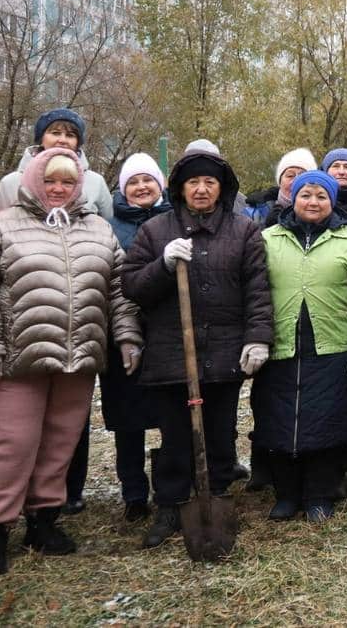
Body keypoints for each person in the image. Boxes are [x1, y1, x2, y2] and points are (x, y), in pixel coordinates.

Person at [0, 148, 141, 576]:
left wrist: (127, 336)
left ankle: (43, 521)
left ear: (79, 185)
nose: (58, 189)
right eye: (51, 181)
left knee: (61, 441)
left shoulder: (99, 229)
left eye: (67, 182)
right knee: (14, 444)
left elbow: (118, 291)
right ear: (34, 180)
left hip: (78, 358)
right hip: (18, 358)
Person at [123, 148, 273, 549]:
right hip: (173, 352)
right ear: (180, 189)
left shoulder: (243, 231)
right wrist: (163, 266)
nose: (202, 189)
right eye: (194, 182)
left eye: (210, 182)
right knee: (174, 433)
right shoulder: (156, 232)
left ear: (221, 189)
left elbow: (258, 289)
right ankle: (171, 503)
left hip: (224, 351)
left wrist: (258, 337)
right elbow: (132, 286)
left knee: (221, 430)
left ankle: (217, 494)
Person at [254, 171, 347, 522]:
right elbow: (254, 290)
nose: (313, 202)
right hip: (281, 343)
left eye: (321, 196)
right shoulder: (268, 239)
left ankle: (319, 494)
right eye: (306, 195)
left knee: (328, 419)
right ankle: (286, 494)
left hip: (332, 343)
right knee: (278, 418)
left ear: (332, 201)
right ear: (294, 198)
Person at [100, 153, 172, 523]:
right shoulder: (108, 227)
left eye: (148, 180)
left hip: (170, 331)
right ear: (122, 188)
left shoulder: (177, 220)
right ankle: (133, 493)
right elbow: (109, 282)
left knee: (170, 414)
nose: (142, 187)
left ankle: (170, 486)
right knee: (128, 420)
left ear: (161, 184)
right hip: (123, 332)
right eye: (133, 182)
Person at [0, 108, 114, 219]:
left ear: (78, 142)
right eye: (55, 133)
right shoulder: (11, 182)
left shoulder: (95, 182)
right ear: (41, 138)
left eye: (70, 135)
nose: (62, 140)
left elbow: (109, 225)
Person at [245, 148, 318, 228]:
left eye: (302, 176)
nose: (295, 181)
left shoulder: (321, 213)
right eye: (290, 176)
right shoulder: (254, 213)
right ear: (280, 181)